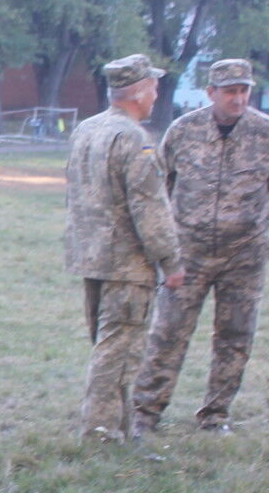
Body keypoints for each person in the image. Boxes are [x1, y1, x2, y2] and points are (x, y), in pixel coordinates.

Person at [132, 59, 269, 435]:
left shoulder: (264, 133)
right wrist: (162, 246)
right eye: (230, 92)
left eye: (244, 91)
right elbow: (160, 188)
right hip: (187, 253)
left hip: (244, 255)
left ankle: (215, 415)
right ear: (211, 93)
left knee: (236, 336)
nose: (238, 99)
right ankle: (145, 412)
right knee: (168, 332)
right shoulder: (183, 130)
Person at [65, 53, 182, 442]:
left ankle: (117, 426)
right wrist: (171, 261)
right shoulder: (133, 139)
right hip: (126, 264)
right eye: (154, 86)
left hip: (91, 257)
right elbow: (149, 207)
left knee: (107, 345)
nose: (157, 94)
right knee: (117, 353)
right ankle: (100, 434)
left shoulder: (87, 129)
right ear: (140, 91)